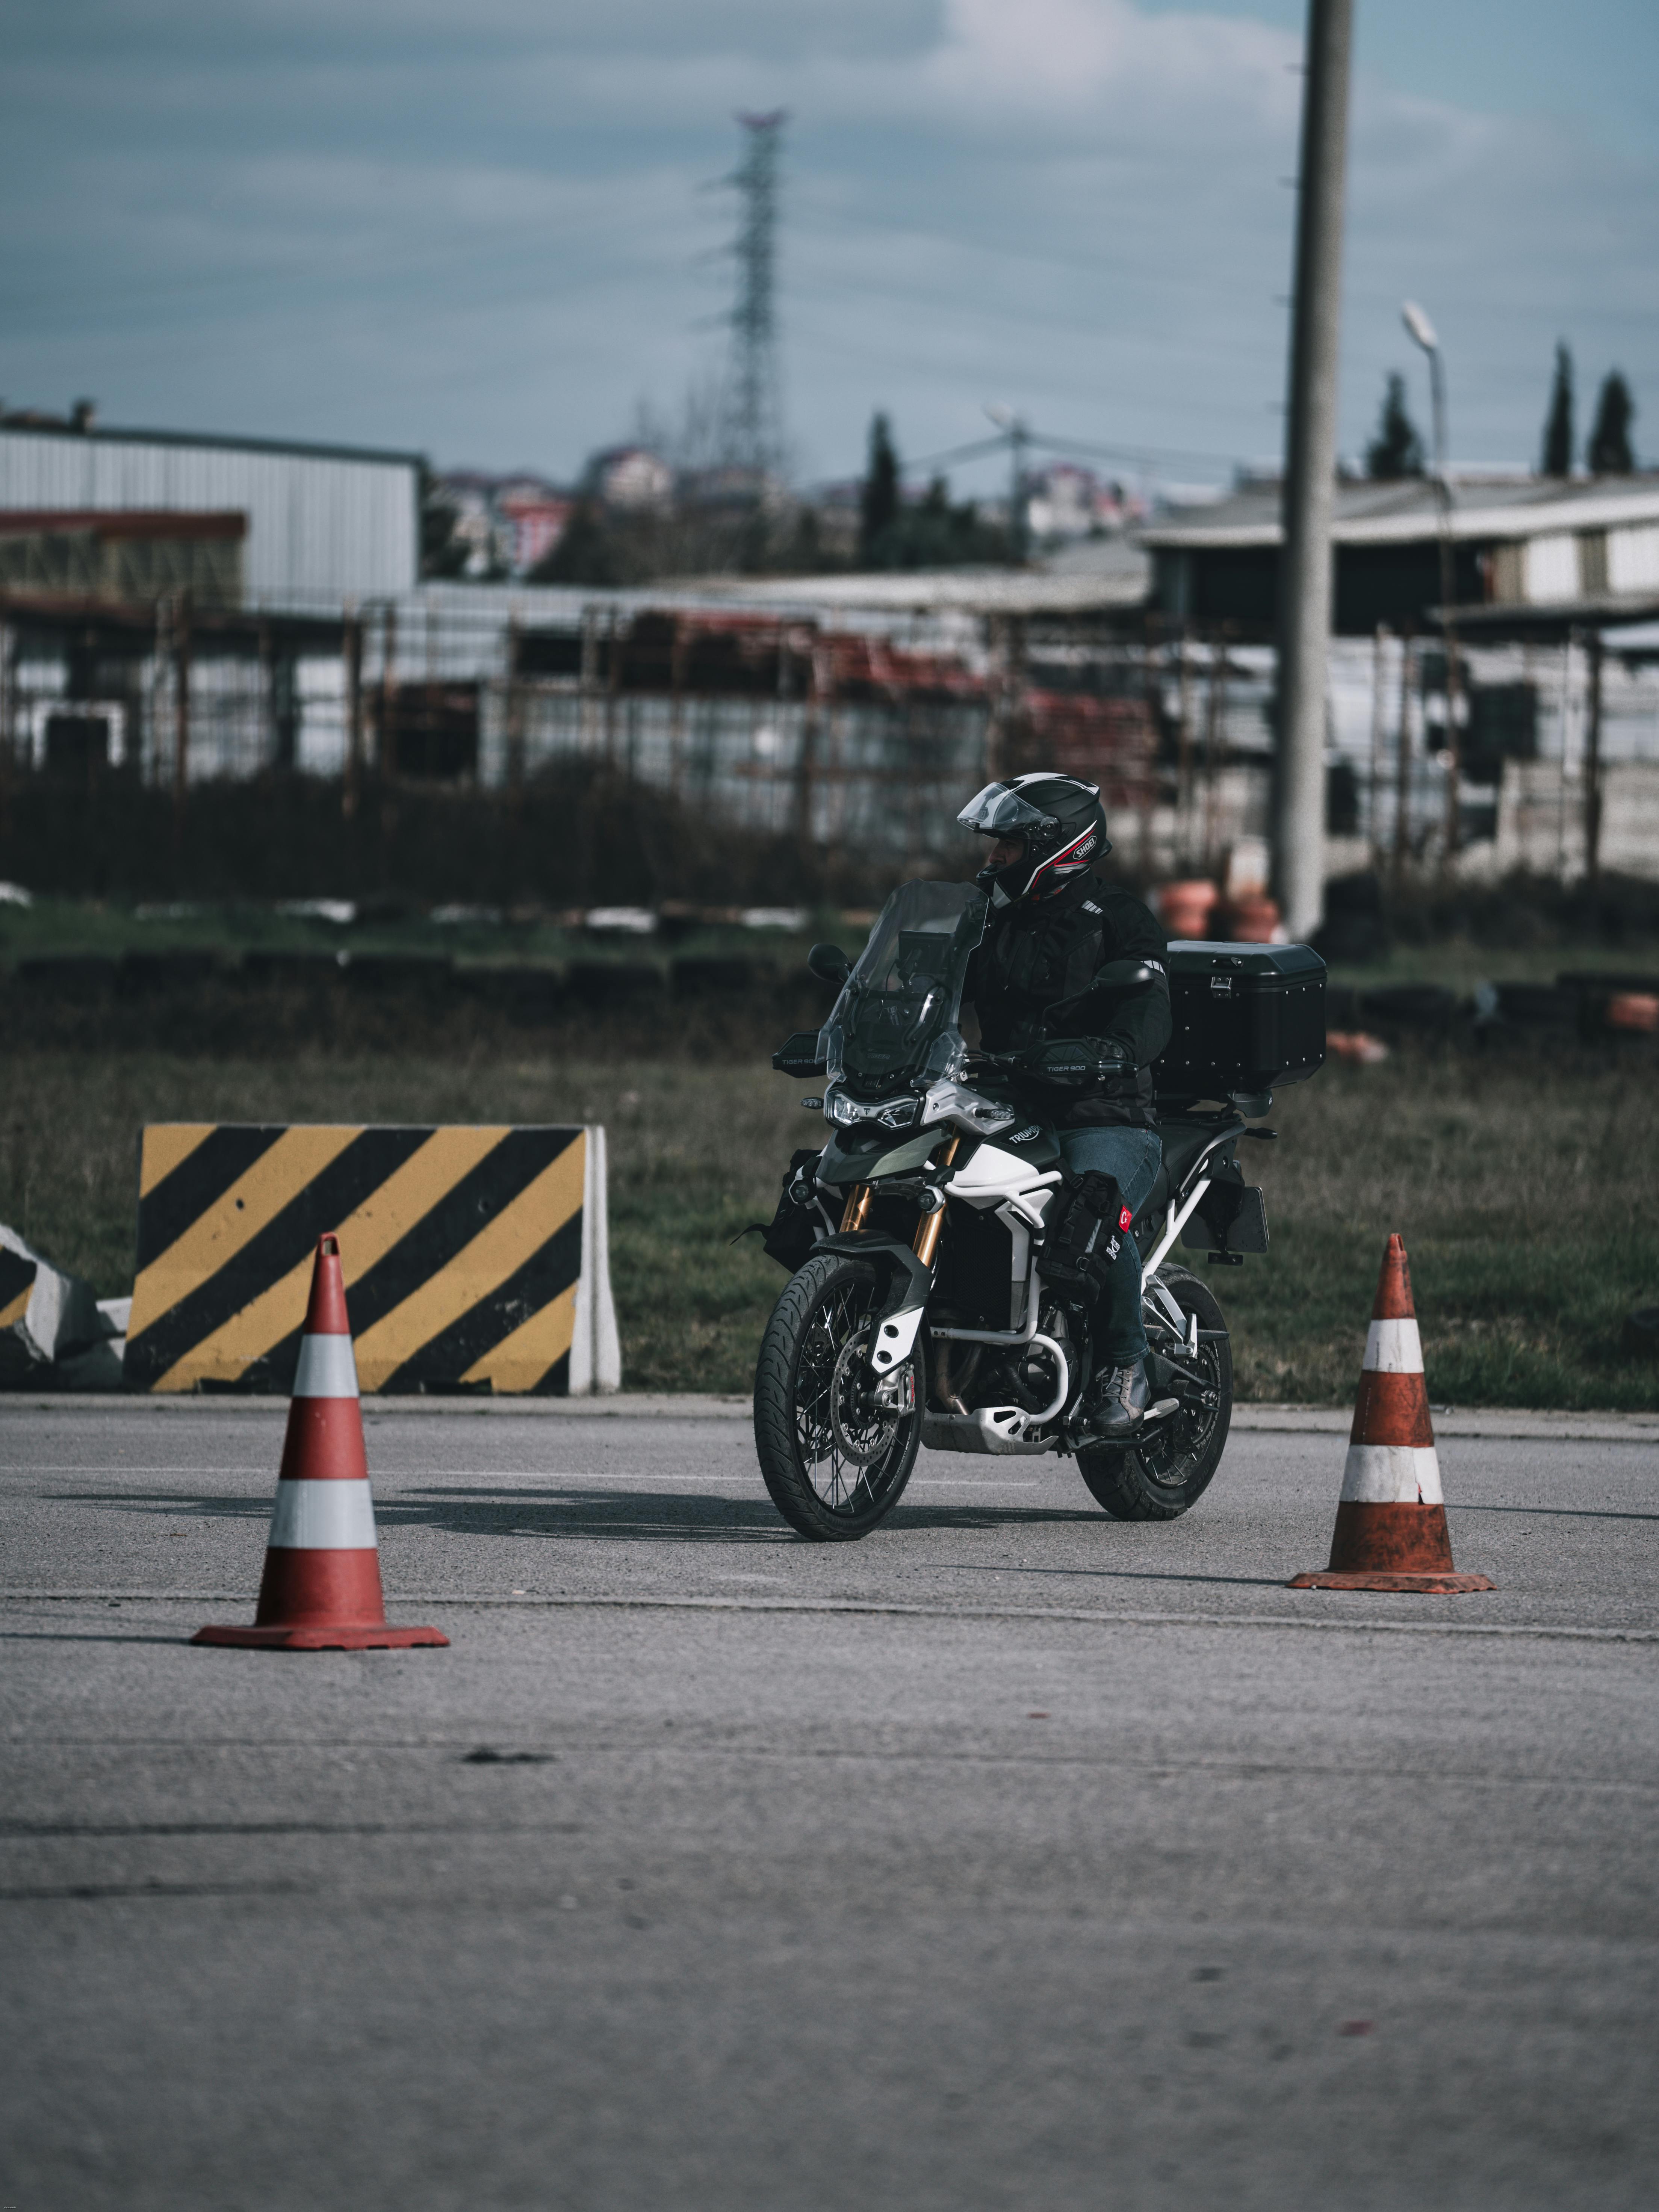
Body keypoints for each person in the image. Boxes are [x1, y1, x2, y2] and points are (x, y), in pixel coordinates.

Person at [957, 773, 1171, 1436]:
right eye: (993, 848)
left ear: (1059, 848)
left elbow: (1150, 1005)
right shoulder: (988, 917)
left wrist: (1111, 1051)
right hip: (1003, 1101)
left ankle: (1126, 1362)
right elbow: (928, 977)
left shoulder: (1118, 920)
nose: (992, 859)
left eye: (1007, 848)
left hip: (1100, 1111)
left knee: (1093, 1205)